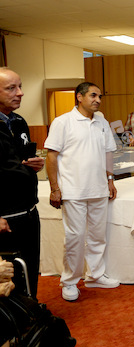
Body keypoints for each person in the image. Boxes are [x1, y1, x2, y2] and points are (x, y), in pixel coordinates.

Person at [44, 82, 120, 302]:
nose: (97, 99)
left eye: (100, 96)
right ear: (79, 97)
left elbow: (108, 152)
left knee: (97, 236)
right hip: (73, 190)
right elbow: (51, 156)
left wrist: (110, 179)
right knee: (75, 238)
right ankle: (69, 281)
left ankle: (95, 275)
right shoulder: (63, 122)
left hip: (98, 188)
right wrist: (54, 188)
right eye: (93, 95)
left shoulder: (102, 121)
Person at [0, 67, 45, 299]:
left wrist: (36, 165)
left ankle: (30, 312)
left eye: (20, 86)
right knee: (8, 275)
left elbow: (21, 161)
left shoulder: (18, 122)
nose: (20, 93)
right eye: (11, 88)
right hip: (5, 218)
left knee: (30, 266)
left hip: (28, 210)